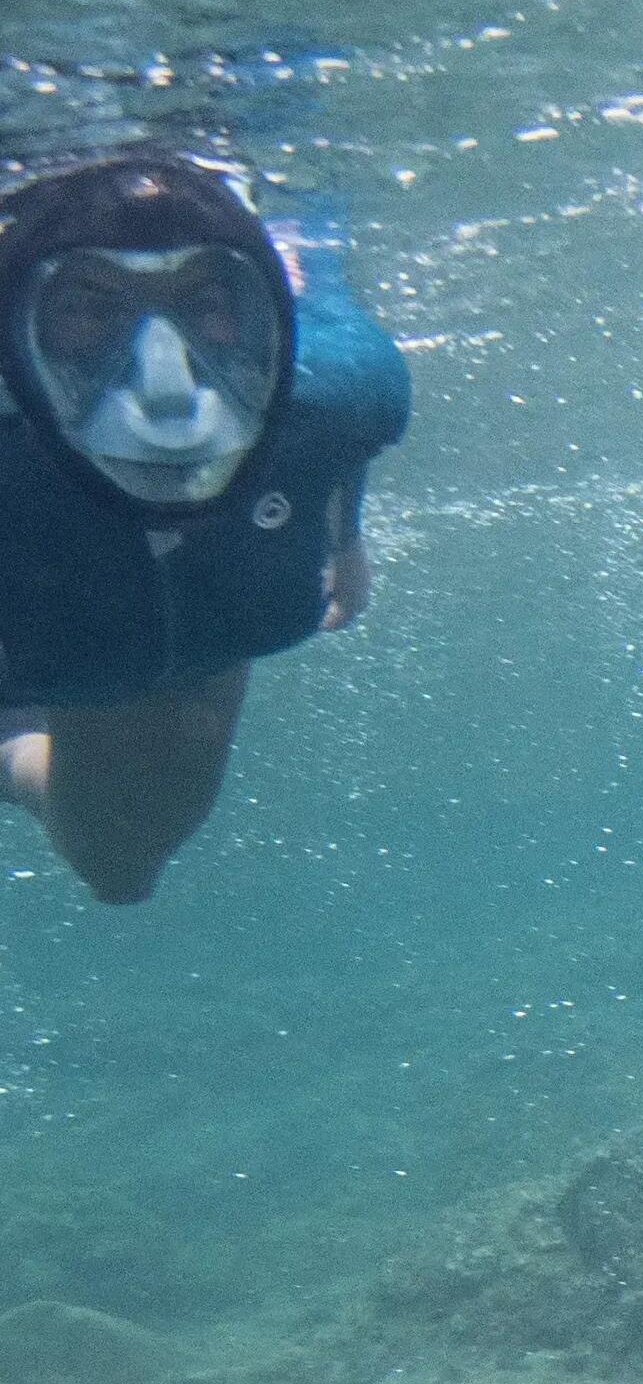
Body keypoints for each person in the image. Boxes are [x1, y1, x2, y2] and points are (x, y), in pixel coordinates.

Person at [0, 145, 410, 903]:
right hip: (42, 622)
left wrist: (343, 534)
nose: (166, 385)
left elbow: (347, 432)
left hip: (168, 619)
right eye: (90, 310)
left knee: (124, 859)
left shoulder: (343, 389)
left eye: (208, 303)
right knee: (115, 863)